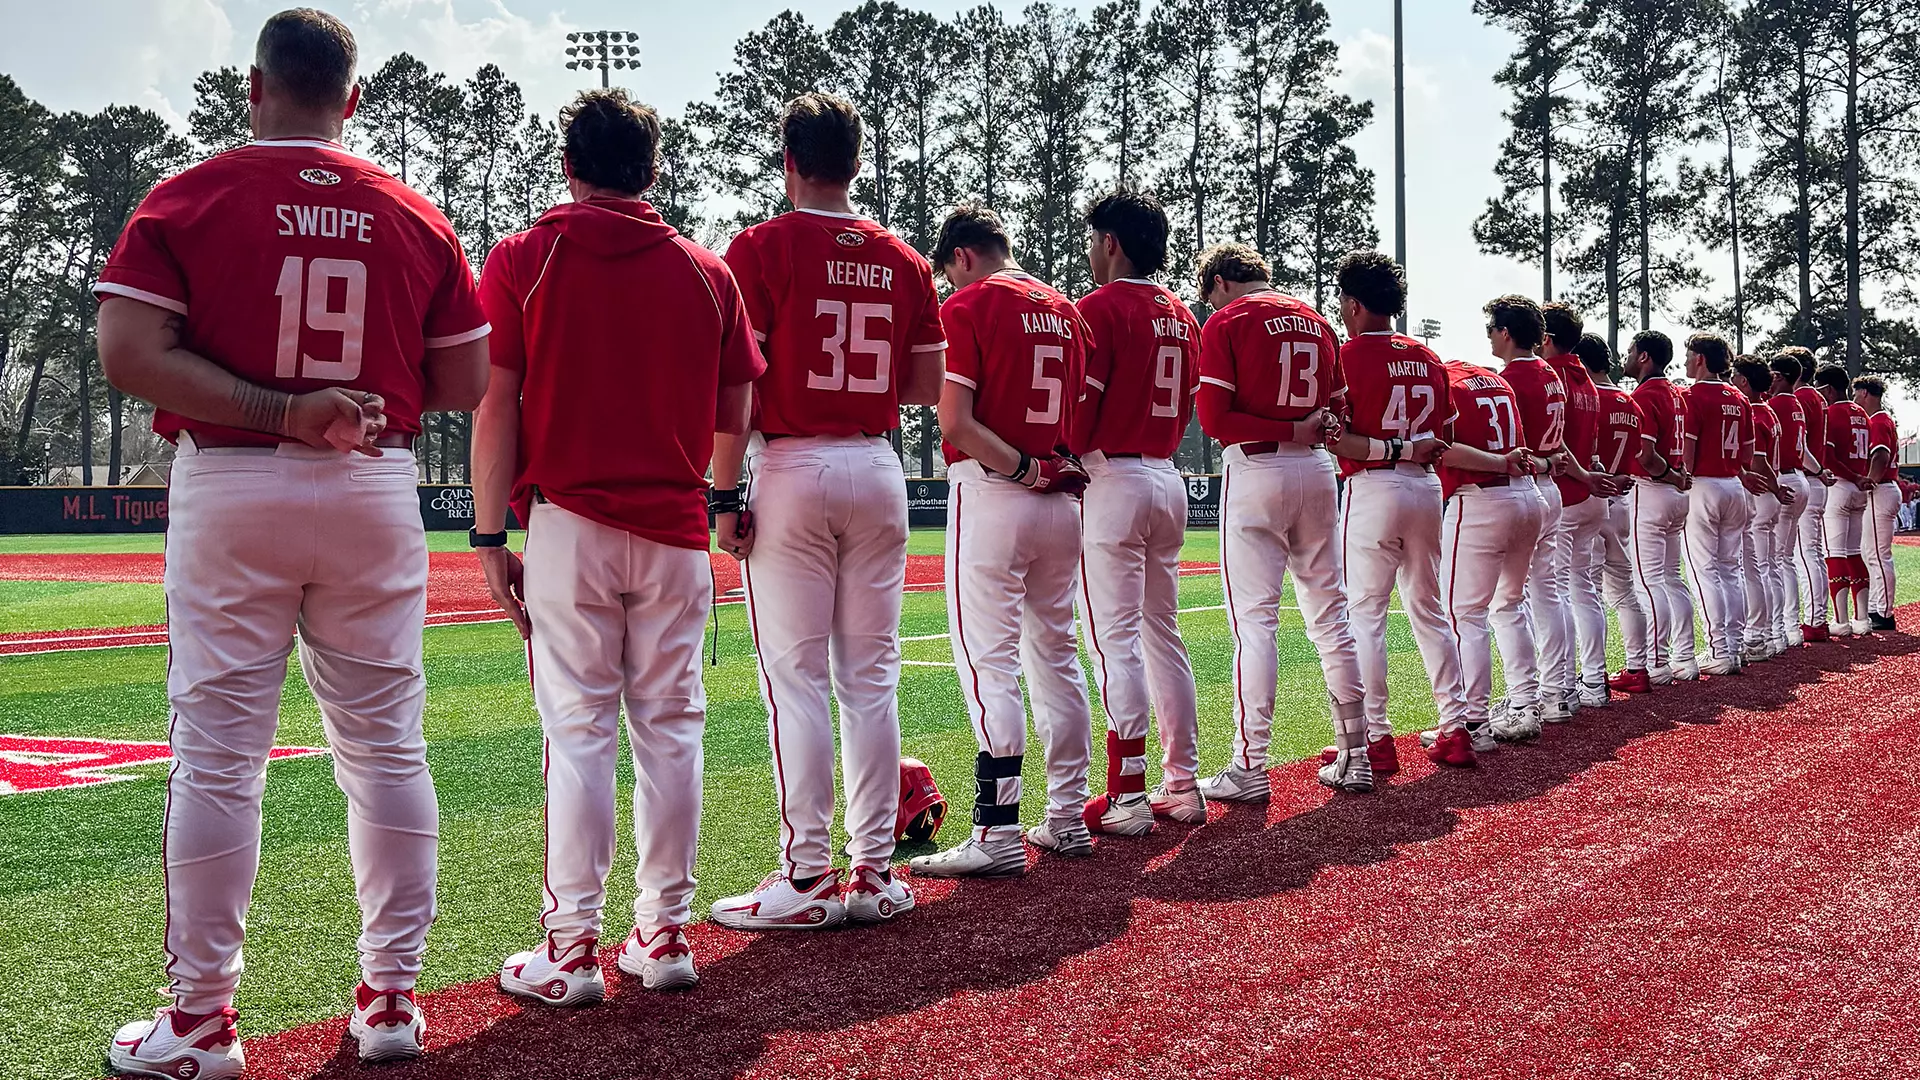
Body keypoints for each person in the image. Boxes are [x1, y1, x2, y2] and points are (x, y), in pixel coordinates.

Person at [94, 10, 490, 1073]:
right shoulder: (414, 212)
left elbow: (129, 352)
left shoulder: (188, 195)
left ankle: (200, 1026)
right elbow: (462, 382)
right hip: (371, 478)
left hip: (233, 479)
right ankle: (394, 1002)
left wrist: (276, 408)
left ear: (253, 86)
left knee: (221, 756)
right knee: (386, 743)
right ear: (351, 99)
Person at [471, 89, 764, 1002]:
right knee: (672, 733)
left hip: (570, 527)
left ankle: (570, 950)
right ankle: (665, 934)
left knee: (580, 735)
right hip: (675, 532)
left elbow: (495, 404)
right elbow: (737, 408)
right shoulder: (708, 270)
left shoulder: (527, 255)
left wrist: (487, 534)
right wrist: (720, 494)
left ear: (568, 162)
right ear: (656, 168)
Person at [704, 94, 946, 930]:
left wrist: (724, 493)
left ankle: (807, 876)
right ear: (856, 160)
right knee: (870, 679)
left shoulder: (762, 246)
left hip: (793, 461)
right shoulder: (905, 258)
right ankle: (874, 872)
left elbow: (738, 386)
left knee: (797, 681)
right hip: (877, 463)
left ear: (790, 160)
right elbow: (921, 387)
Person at [908, 205, 1097, 877]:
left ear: (961, 256)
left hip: (998, 493)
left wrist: (1021, 466)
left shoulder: (971, 305)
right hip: (1060, 504)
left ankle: (997, 831)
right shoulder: (1068, 311)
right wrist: (1046, 464)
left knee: (990, 661)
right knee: (1056, 656)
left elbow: (956, 421)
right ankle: (1069, 815)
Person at [1187, 244, 1368, 795]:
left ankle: (1249, 765)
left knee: (1255, 623)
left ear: (1219, 282)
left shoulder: (1227, 320)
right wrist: (1308, 429)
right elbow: (1344, 414)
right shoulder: (1315, 318)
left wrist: (1288, 428)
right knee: (1330, 615)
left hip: (1259, 466)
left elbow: (1216, 419)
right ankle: (1356, 754)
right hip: (1317, 472)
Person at [1070, 190, 1206, 831]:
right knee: (1162, 635)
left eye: (1095, 239)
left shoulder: (1098, 307)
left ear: (1113, 243)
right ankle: (1182, 782)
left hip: (1113, 476)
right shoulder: (1183, 313)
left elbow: (1079, 414)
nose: (1091, 250)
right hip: (1165, 474)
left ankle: (1126, 791)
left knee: (1113, 640)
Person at [1319, 251, 1466, 771]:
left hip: (1375, 486)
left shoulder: (1347, 354)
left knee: (1366, 615)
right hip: (1425, 488)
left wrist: (1390, 448)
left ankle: (1375, 739)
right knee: (1429, 609)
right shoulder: (1427, 356)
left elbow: (1341, 440)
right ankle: (1456, 724)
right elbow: (1442, 436)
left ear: (1354, 304)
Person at [1430, 355, 1548, 759]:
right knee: (1510, 604)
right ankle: (1525, 702)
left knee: (1465, 614)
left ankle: (1473, 722)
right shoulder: (1499, 384)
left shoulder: (1450, 384)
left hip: (1482, 498)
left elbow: (1445, 450)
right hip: (1527, 495)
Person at [1492, 296, 1573, 729]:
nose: (1489, 335)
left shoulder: (1512, 378)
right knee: (1548, 593)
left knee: (1508, 602)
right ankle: (1557, 691)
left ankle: (1523, 701)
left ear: (1506, 333)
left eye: (1492, 327)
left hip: (1522, 484)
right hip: (1549, 486)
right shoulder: (1550, 374)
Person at [1541, 304, 1621, 711]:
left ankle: (1559, 686)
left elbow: (1556, 440)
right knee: (1583, 589)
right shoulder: (1588, 379)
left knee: (1552, 593)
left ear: (1547, 338)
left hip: (1568, 491)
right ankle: (1592, 680)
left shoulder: (1553, 375)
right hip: (1591, 495)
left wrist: (1584, 474)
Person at [1582, 336, 1657, 694]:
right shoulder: (1630, 401)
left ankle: (1591, 678)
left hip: (1590, 496)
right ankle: (1637, 666)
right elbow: (1642, 455)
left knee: (1584, 591)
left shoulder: (1588, 398)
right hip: (1621, 500)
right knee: (1624, 590)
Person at [1624, 330, 1696, 684]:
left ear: (1644, 357)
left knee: (1649, 581)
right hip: (1675, 491)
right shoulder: (1677, 393)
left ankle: (1656, 663)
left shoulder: (1645, 393)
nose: (1626, 355)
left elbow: (1646, 456)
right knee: (1671, 578)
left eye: (1631, 350)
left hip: (1653, 489)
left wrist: (1669, 475)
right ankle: (1684, 657)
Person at [1678, 334, 1752, 675]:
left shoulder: (1693, 395)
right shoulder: (1739, 397)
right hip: (1733, 483)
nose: (1687, 361)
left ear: (1701, 360)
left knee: (1704, 571)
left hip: (1704, 484)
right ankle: (1734, 646)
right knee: (1729, 570)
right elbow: (1748, 455)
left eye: (1690, 355)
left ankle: (1720, 649)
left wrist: (1681, 480)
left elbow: (1688, 451)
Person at [1732, 358, 1789, 661]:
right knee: (1768, 567)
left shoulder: (1754, 411)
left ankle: (1757, 635)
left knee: (1753, 568)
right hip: (1769, 489)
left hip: (1762, 489)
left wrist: (1775, 487)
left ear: (1744, 382)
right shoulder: (1767, 409)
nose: (1730, 380)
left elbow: (1758, 460)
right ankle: (1771, 633)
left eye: (1735, 377)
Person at [1816, 364, 1874, 636]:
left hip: (1841, 485)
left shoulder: (1831, 412)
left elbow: (1828, 458)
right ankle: (1862, 618)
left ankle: (1841, 620)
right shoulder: (1862, 413)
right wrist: (1860, 477)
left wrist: (1852, 476)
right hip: (1859, 487)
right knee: (1854, 553)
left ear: (1828, 388)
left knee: (1835, 553)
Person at [1789, 348, 1836, 641]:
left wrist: (1817, 470)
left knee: (1804, 555)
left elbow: (1798, 445)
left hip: (1808, 474)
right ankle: (1818, 617)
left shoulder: (1803, 398)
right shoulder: (1817, 397)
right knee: (1812, 553)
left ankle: (1815, 619)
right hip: (1814, 479)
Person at [1766, 355, 1813, 648]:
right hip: (1800, 476)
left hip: (1783, 477)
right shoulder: (1795, 403)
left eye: (1772, 374)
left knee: (1775, 560)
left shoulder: (1779, 403)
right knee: (1785, 558)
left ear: (1781, 376)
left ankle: (1783, 627)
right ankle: (1790, 625)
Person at [1854, 376, 1901, 631]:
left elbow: (1881, 454)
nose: (1854, 398)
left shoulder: (1878, 420)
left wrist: (1870, 480)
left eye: (1856, 393)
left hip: (1881, 489)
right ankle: (1877, 607)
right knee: (1871, 553)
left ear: (1864, 393)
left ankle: (1883, 612)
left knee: (1877, 555)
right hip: (1885, 489)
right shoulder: (1882, 419)